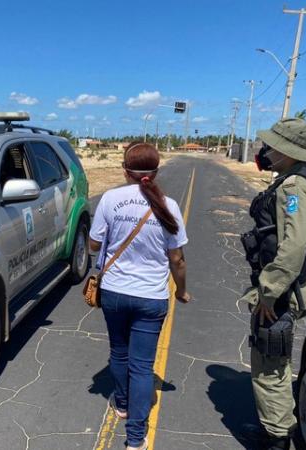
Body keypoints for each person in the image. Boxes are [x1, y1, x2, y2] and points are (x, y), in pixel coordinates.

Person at [89, 142, 190, 450]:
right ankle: (135, 439)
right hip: (151, 298)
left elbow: (94, 246)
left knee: (119, 353)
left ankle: (121, 405)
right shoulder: (168, 206)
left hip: (115, 293)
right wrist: (182, 290)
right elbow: (177, 258)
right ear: (156, 172)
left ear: (125, 170)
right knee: (142, 367)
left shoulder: (110, 199)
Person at [240, 118, 306, 450]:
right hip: (285, 287)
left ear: (286, 152)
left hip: (279, 292)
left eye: (271, 146)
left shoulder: (294, 187)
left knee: (269, 366)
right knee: (276, 361)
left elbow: (294, 246)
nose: (265, 151)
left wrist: (269, 291)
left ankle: (277, 437)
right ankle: (279, 427)